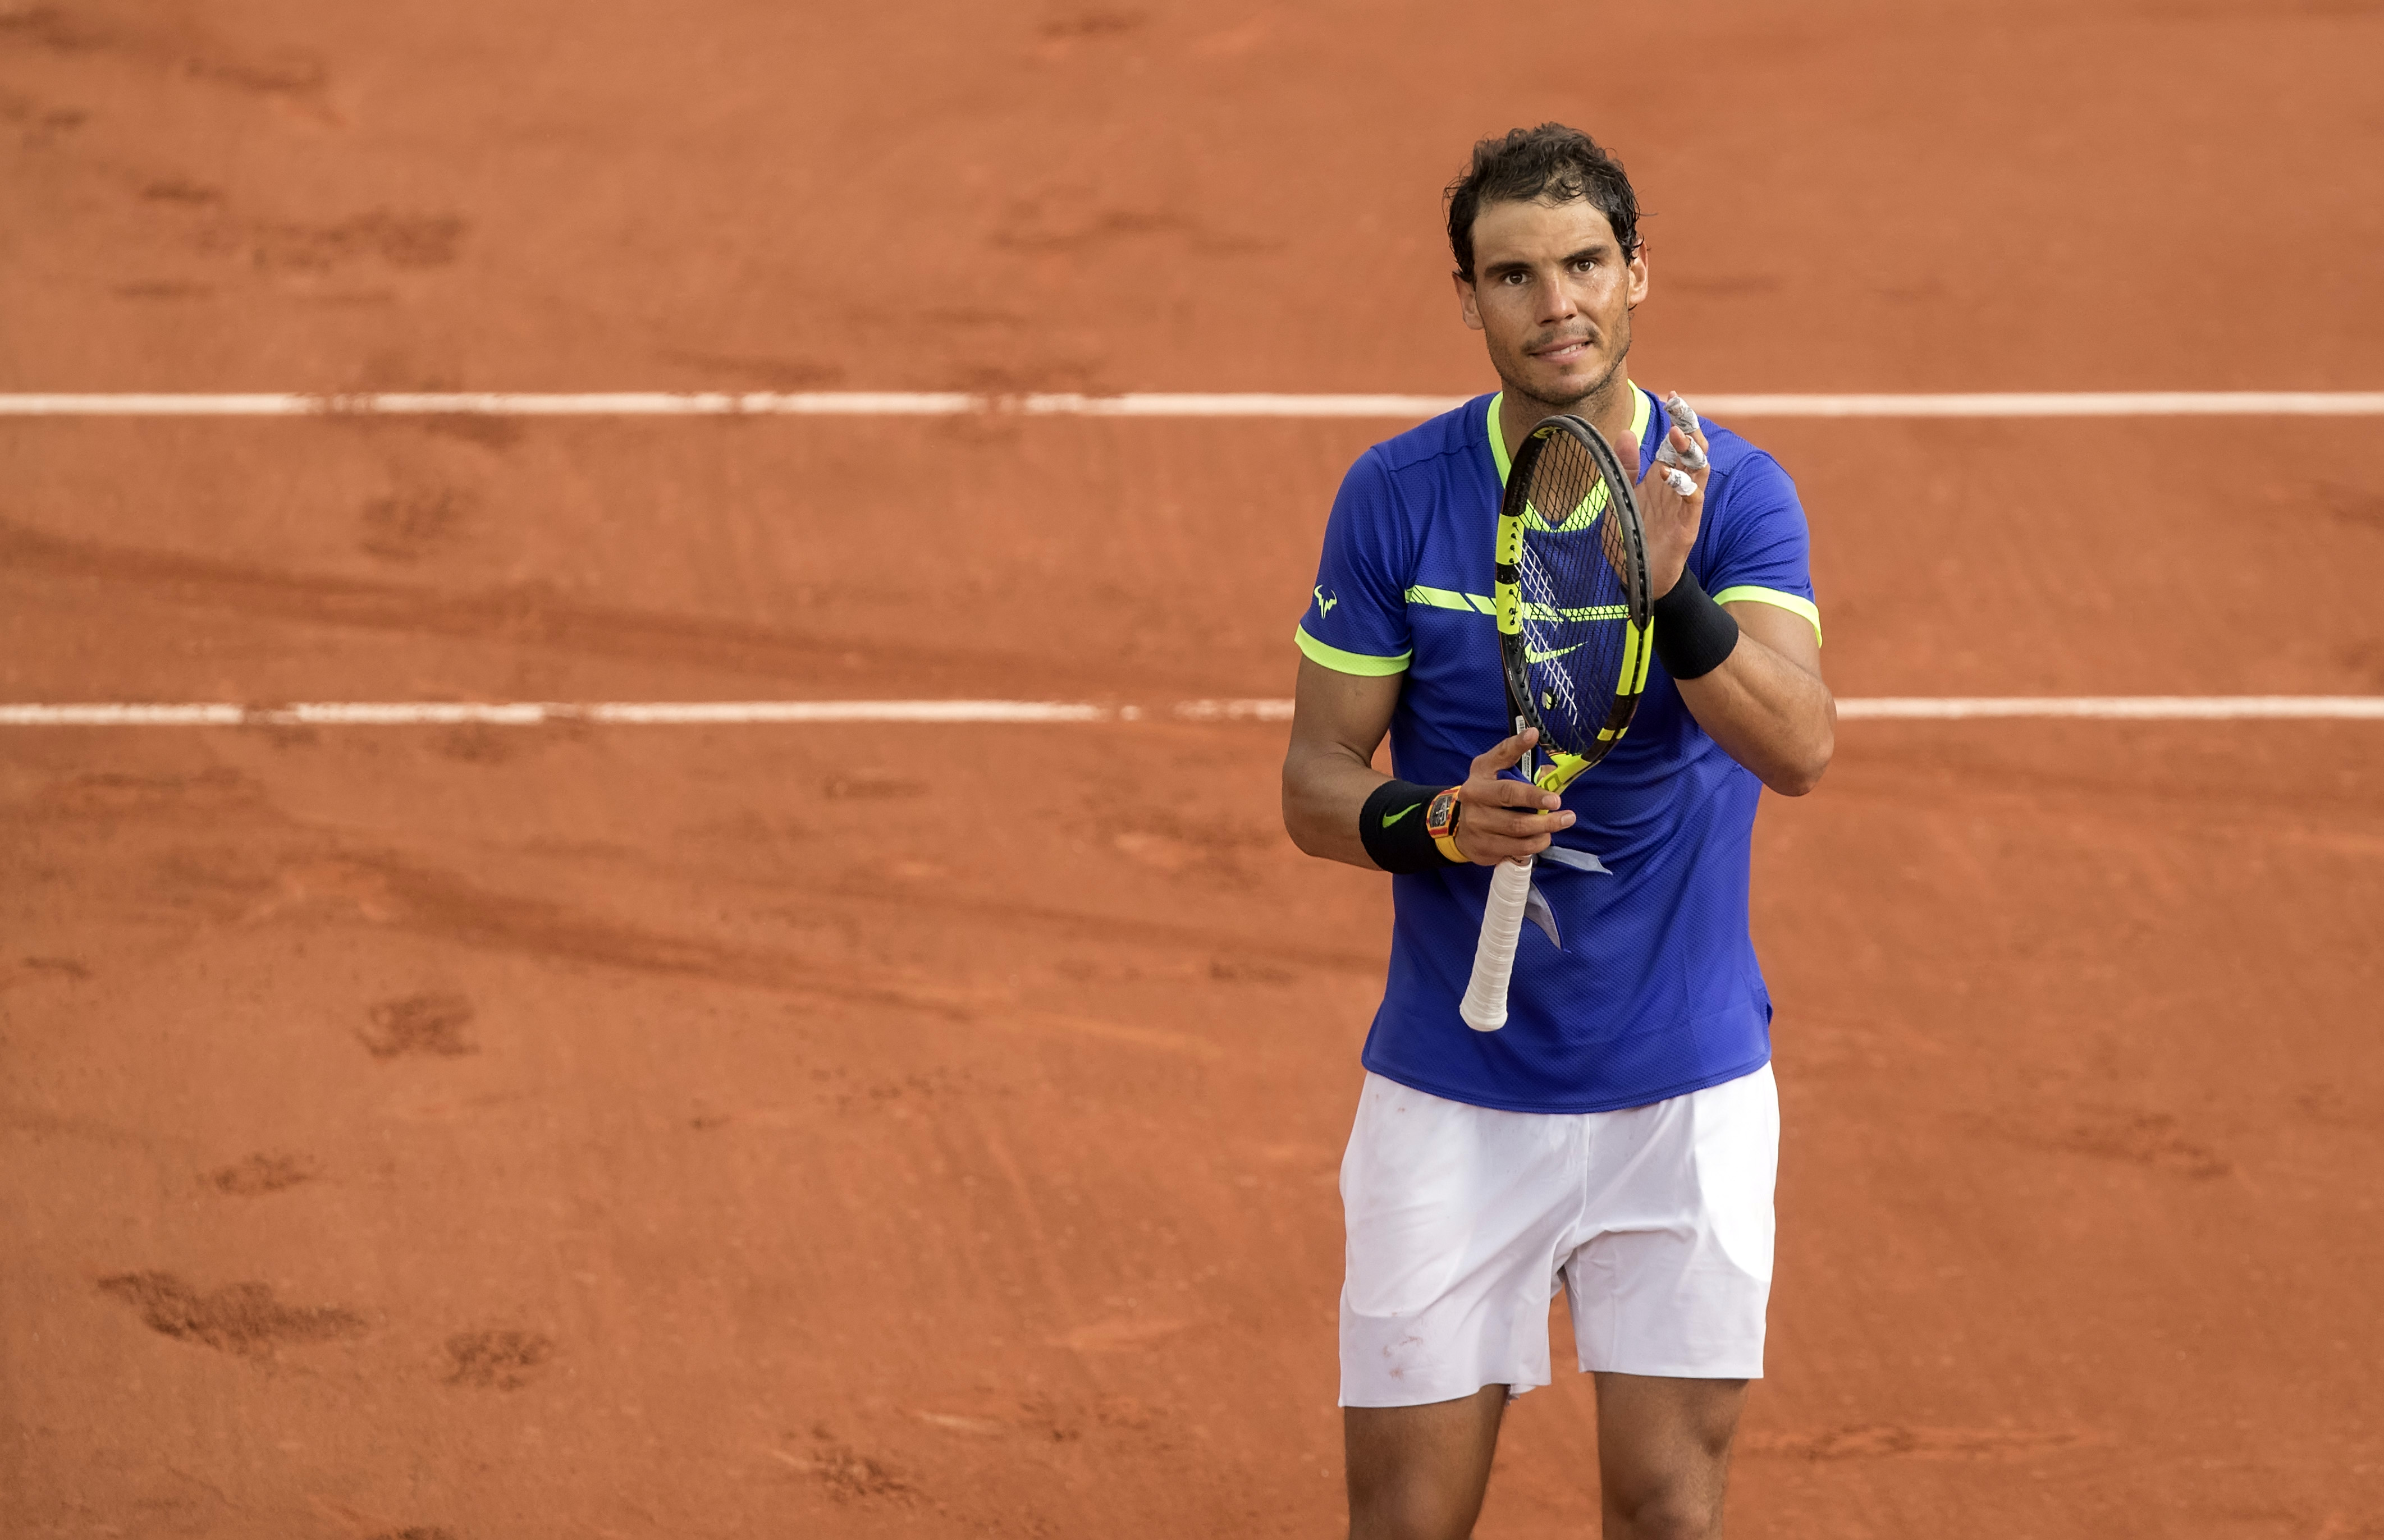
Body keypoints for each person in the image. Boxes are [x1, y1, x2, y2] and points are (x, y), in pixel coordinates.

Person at [1279, 124, 1836, 1540]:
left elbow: (1799, 744)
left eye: (1586, 263)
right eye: (1513, 274)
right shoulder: (1396, 497)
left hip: (1686, 1090)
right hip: (1451, 1098)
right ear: (1468, 299)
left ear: (1640, 271)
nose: (1557, 304)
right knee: (1407, 1524)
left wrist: (1666, 584)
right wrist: (1435, 821)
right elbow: (1316, 781)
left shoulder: (1738, 492)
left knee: (1666, 1514)